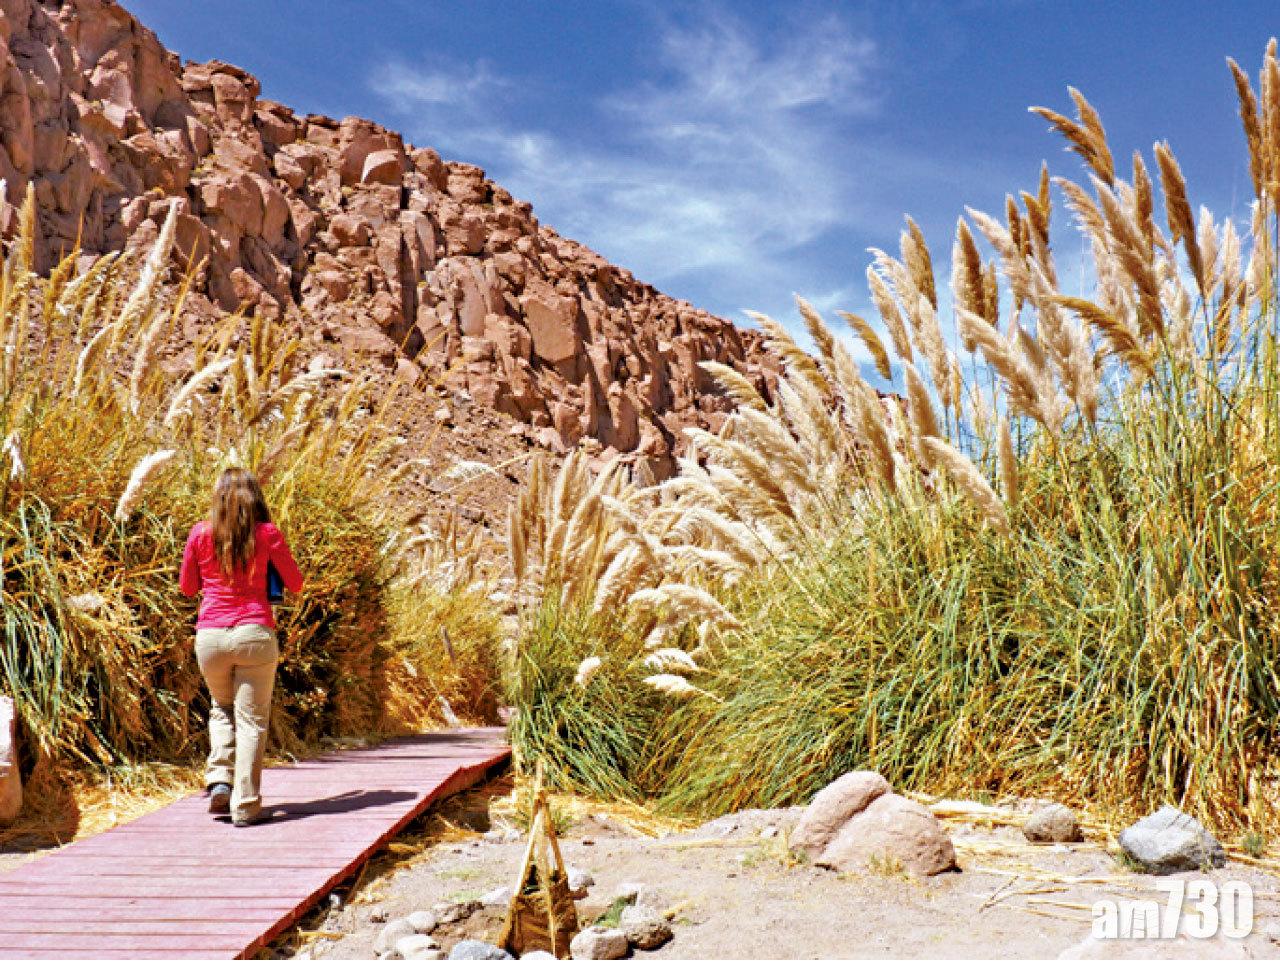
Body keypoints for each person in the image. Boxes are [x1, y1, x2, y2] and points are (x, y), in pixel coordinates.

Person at [179, 468, 303, 826]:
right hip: (254, 634)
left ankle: (220, 779)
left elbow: (188, 587)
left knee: (221, 707)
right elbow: (295, 583)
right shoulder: (267, 534)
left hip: (211, 637)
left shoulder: (200, 533)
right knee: (251, 720)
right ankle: (245, 805)